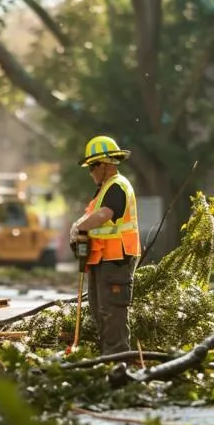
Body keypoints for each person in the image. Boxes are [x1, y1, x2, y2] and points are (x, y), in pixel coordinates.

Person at [69, 135, 140, 355]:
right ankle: (107, 362)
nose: (90, 172)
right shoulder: (103, 189)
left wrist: (78, 227)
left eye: (92, 167)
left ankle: (118, 363)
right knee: (100, 312)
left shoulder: (117, 186)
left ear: (104, 164)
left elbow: (104, 214)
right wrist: (79, 229)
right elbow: (94, 217)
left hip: (116, 259)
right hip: (102, 259)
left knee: (113, 313)